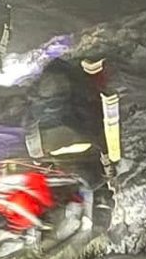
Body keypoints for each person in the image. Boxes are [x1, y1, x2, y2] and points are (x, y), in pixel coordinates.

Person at [24, 54, 123, 231]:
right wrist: (110, 160)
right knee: (100, 181)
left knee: (57, 181)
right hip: (84, 145)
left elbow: (29, 124)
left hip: (51, 150)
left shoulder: (37, 93)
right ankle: (101, 210)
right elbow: (103, 122)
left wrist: (38, 158)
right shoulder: (84, 89)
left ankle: (49, 218)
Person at [0, 158, 86, 247]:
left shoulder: (0, 204)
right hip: (28, 192)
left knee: (67, 189)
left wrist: (40, 224)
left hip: (33, 189)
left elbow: (23, 205)